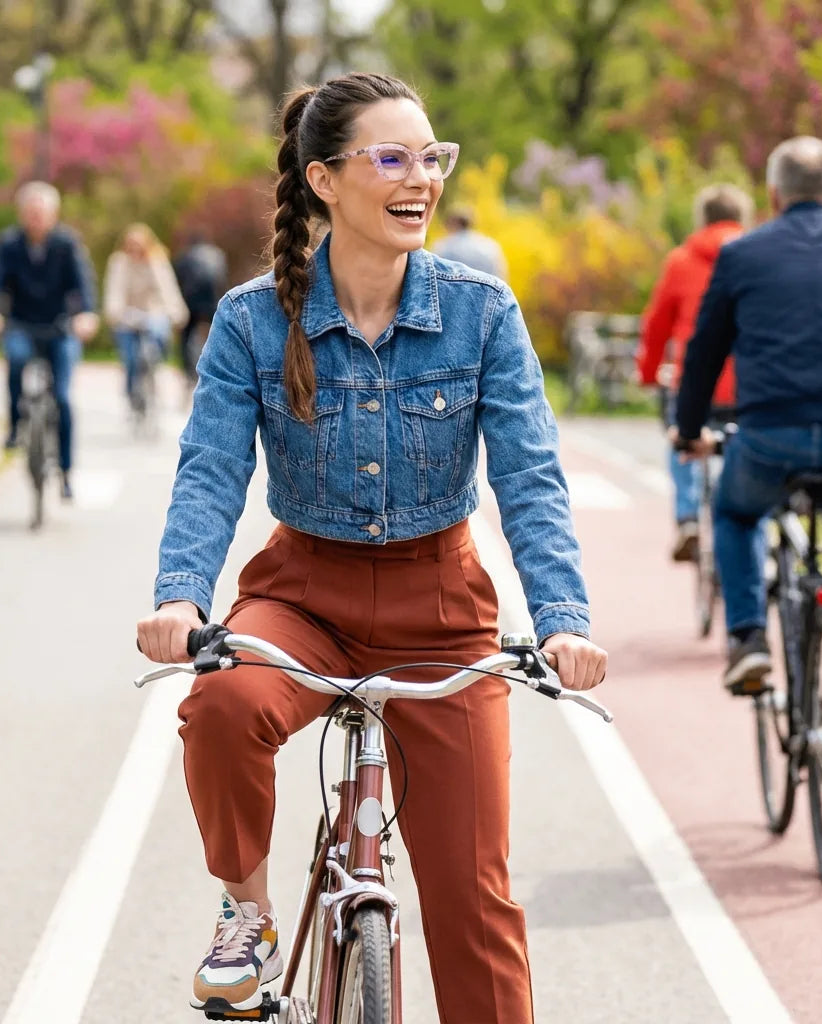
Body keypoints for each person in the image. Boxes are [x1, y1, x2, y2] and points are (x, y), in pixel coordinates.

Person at [136, 72, 607, 1022]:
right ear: (324, 180)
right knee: (222, 705)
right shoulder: (250, 319)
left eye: (432, 157)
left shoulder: (482, 314)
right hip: (302, 598)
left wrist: (562, 620)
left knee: (475, 903)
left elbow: (530, 478)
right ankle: (248, 911)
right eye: (391, 157)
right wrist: (182, 599)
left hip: (444, 613)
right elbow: (211, 469)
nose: (421, 178)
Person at [676, 136, 822, 808]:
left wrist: (688, 432)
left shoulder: (742, 254)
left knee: (736, 514)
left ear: (772, 196)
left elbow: (705, 349)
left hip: (768, 439)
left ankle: (746, 637)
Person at [638, 184, 754, 561]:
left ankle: (688, 516)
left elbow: (657, 324)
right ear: (743, 218)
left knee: (682, 436)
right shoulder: (759, 257)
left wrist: (649, 372)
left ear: (703, 219)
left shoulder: (682, 260)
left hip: (698, 381)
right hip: (749, 385)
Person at [0, 182, 99, 500]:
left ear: (53, 215)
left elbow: (82, 282)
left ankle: (66, 470)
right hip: (22, 323)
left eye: (41, 213)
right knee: (16, 360)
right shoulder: (9, 244)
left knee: (62, 397)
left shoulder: (67, 243)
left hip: (60, 327)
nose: (35, 219)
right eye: (30, 213)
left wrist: (86, 313)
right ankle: (17, 425)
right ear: (21, 214)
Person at [103, 223, 188, 406]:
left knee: (158, 335)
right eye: (131, 245)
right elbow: (114, 290)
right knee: (131, 358)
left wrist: (176, 311)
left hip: (152, 313)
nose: (135, 250)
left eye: (139, 245)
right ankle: (131, 391)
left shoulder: (156, 261)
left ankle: (154, 365)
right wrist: (114, 312)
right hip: (127, 315)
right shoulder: (119, 262)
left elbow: (167, 288)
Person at [172, 232, 227, 388]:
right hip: (212, 302)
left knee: (185, 336)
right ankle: (221, 367)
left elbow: (177, 282)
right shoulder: (218, 255)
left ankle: (188, 372)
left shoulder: (185, 257)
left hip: (190, 303)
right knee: (220, 335)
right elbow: (221, 279)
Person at [431, 203, 508, 279]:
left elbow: (435, 274)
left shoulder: (444, 246)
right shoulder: (490, 245)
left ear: (454, 223)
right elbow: (501, 275)